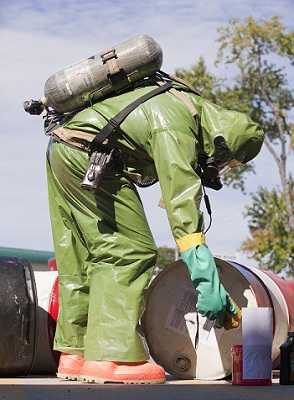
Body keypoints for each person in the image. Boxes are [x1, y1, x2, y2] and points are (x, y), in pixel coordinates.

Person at [46, 76, 264, 384]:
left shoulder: (171, 101)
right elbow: (182, 205)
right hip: (89, 156)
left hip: (63, 149)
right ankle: (112, 356)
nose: (218, 165)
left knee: (82, 253)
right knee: (132, 249)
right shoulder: (176, 123)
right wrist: (207, 282)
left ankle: (76, 352)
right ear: (222, 139)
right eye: (224, 159)